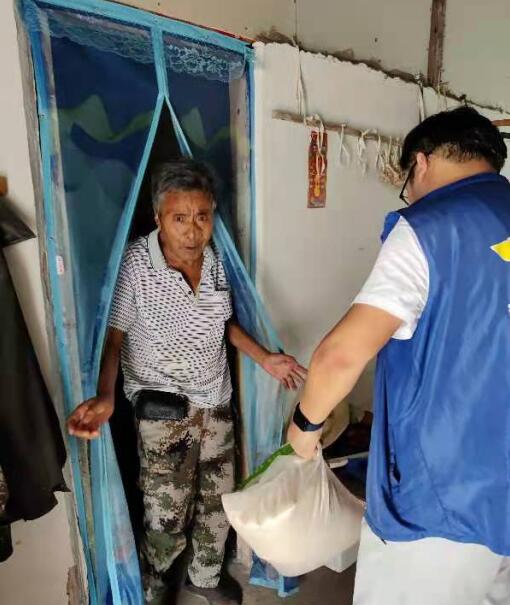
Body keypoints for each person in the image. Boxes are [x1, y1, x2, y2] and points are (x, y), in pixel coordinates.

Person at [288, 107, 510, 605]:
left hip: (440, 502)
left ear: (421, 162)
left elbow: (341, 355)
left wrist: (303, 431)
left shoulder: (430, 227)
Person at [68, 159, 306, 605]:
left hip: (215, 399)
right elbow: (113, 337)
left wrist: (265, 359)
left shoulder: (214, 259)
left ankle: (205, 577)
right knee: (167, 511)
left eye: (202, 217)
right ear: (159, 218)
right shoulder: (137, 265)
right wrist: (105, 396)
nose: (193, 231)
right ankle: (155, 587)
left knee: (218, 497)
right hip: (165, 409)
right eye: (180, 218)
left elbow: (223, 323)